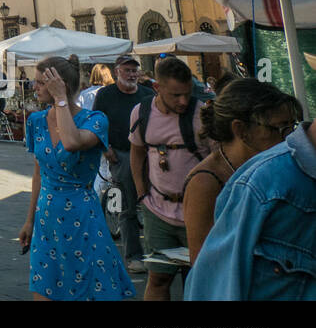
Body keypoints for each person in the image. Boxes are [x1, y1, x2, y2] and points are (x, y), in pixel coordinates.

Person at [16, 57, 134, 300]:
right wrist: (29, 220)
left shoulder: (95, 120)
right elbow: (39, 173)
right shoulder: (36, 122)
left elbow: (71, 143)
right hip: (46, 218)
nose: (34, 87)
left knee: (87, 287)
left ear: (61, 86)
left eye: (41, 82)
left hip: (82, 217)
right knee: (45, 288)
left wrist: (61, 100)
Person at [186, 117, 316, 300]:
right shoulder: (261, 184)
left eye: (288, 127)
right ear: (241, 130)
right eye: (275, 129)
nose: (280, 136)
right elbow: (215, 288)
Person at [183, 80, 299, 264]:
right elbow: (205, 268)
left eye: (292, 127)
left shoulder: (269, 167)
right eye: (278, 128)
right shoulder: (205, 183)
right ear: (241, 129)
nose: (288, 137)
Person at [130, 56, 208, 300]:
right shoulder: (141, 113)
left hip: (198, 212)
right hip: (158, 210)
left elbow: (220, 160)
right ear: (157, 87)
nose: (183, 101)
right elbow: (137, 152)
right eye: (176, 95)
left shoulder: (202, 115)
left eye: (187, 93)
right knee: (159, 278)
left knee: (201, 279)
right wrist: (142, 192)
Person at [91, 54, 154, 272]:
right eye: (127, 70)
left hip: (149, 154)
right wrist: (105, 148)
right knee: (127, 206)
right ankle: (134, 256)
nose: (132, 74)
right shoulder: (106, 94)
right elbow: (96, 123)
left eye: (134, 70)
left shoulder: (148, 94)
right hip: (122, 154)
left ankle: (156, 252)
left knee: (153, 203)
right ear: (117, 71)